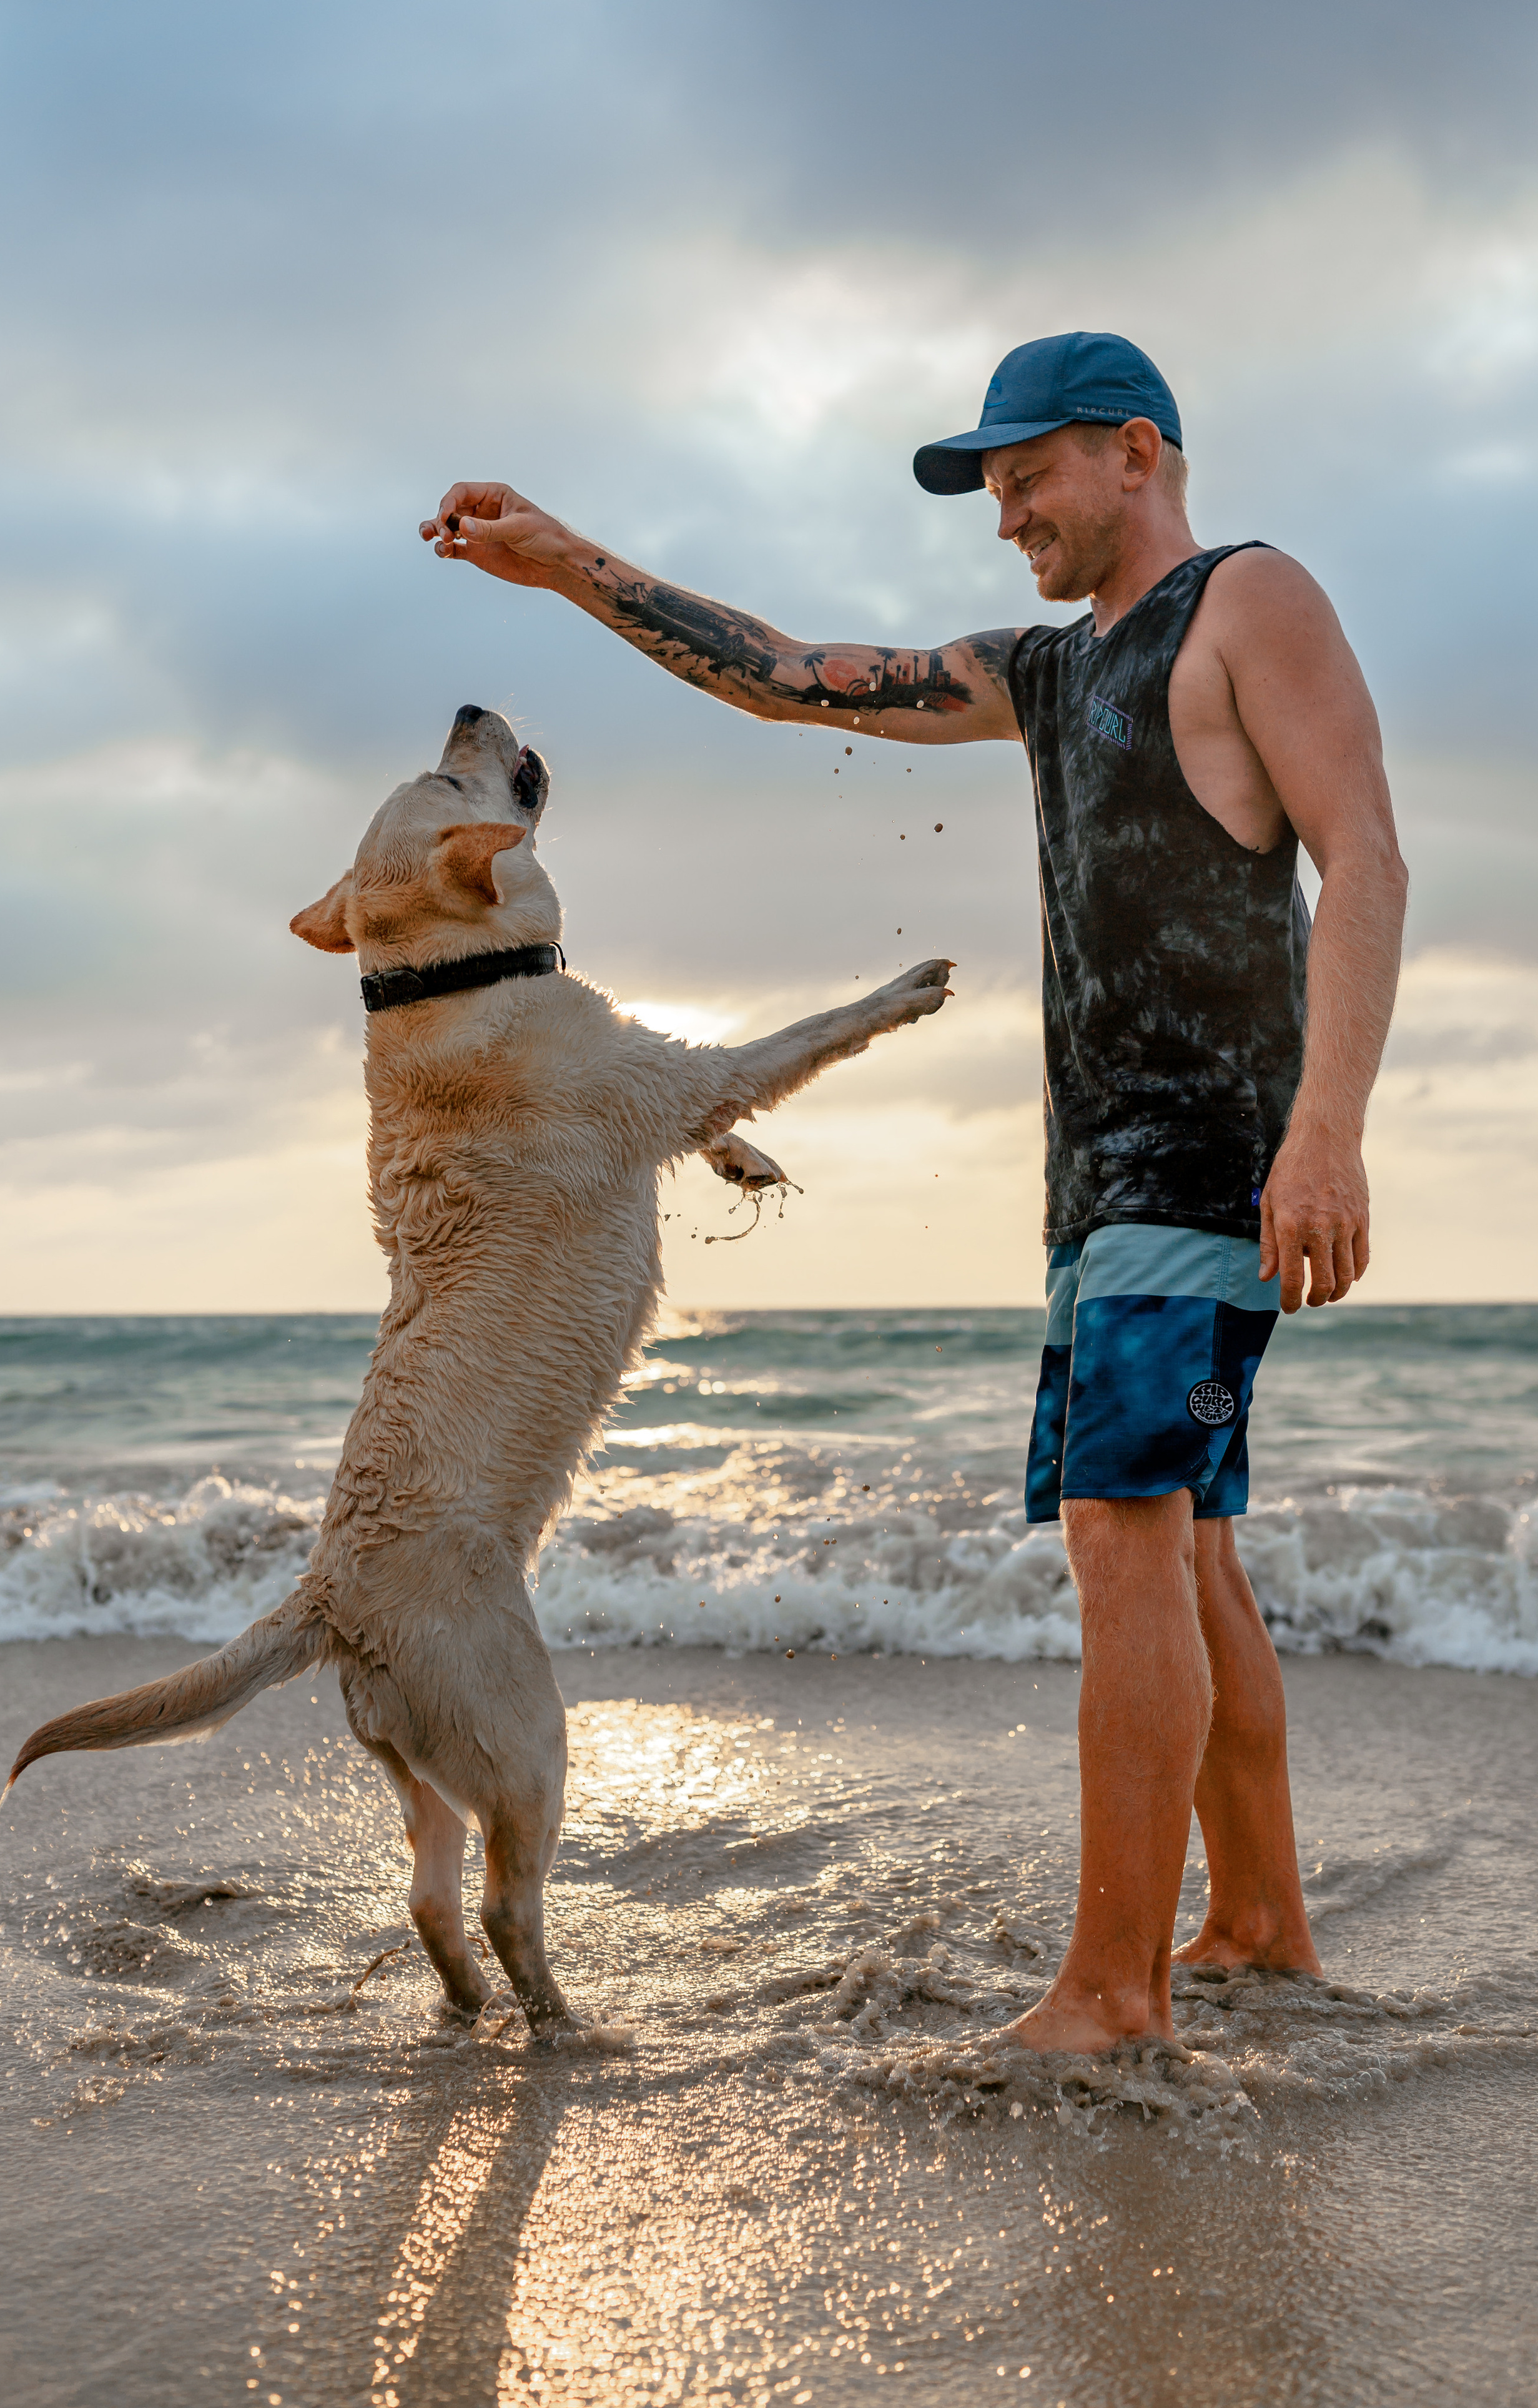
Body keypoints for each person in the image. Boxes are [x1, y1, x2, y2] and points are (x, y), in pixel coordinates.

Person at [418, 330, 1408, 2053]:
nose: (1006, 509)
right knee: (1197, 1551)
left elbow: (1370, 858)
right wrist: (570, 566)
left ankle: (1115, 1995)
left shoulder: (1251, 601)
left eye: (1027, 472)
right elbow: (794, 676)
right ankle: (1257, 1924)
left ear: (1134, 450)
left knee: (1123, 1534)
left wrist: (1328, 1130)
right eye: (992, 482)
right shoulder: (1039, 669)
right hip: (1103, 1176)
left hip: (1204, 1153)